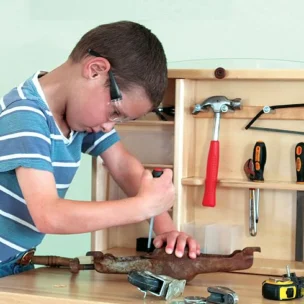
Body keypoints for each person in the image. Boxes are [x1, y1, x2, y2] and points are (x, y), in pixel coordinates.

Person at [0, 20, 200, 278]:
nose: (109, 126)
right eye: (115, 112)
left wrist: (166, 230)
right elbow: (49, 215)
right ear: (95, 70)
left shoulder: (78, 117)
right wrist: (141, 207)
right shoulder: (26, 116)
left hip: (17, 261)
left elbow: (122, 165)